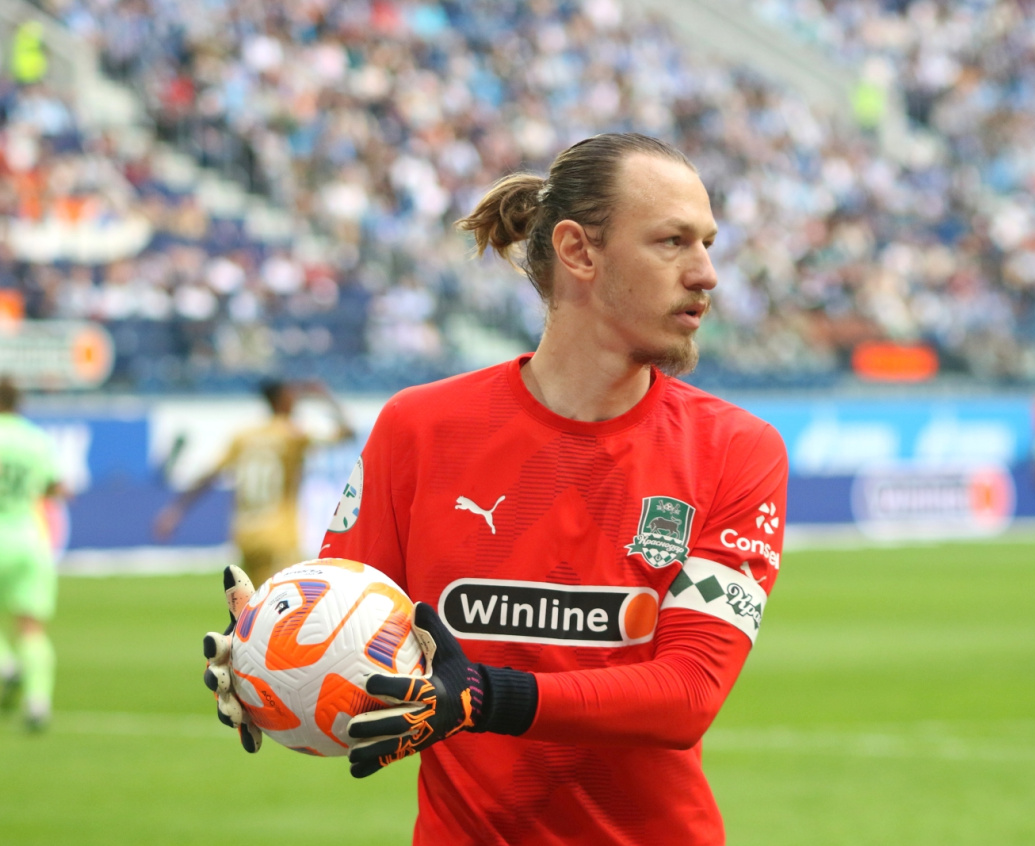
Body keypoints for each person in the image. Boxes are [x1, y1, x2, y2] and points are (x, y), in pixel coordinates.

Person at [202, 133, 789, 844]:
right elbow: (355, 645)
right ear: (578, 251)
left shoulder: (736, 450)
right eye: (673, 242)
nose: (707, 274)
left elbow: (687, 693)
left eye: (707, 244)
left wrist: (481, 697)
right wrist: (267, 663)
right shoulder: (418, 430)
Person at [156, 378, 354, 586]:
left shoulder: (244, 437)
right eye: (292, 395)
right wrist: (326, 397)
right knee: (288, 601)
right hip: (279, 536)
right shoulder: (293, 434)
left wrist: (176, 509)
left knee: (254, 603)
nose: (296, 400)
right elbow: (347, 434)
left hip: (245, 534)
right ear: (281, 400)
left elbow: (209, 476)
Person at [0, 377, 67, 731]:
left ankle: (5, 666)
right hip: (29, 538)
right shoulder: (35, 439)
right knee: (32, 627)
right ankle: (37, 703)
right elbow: (56, 487)